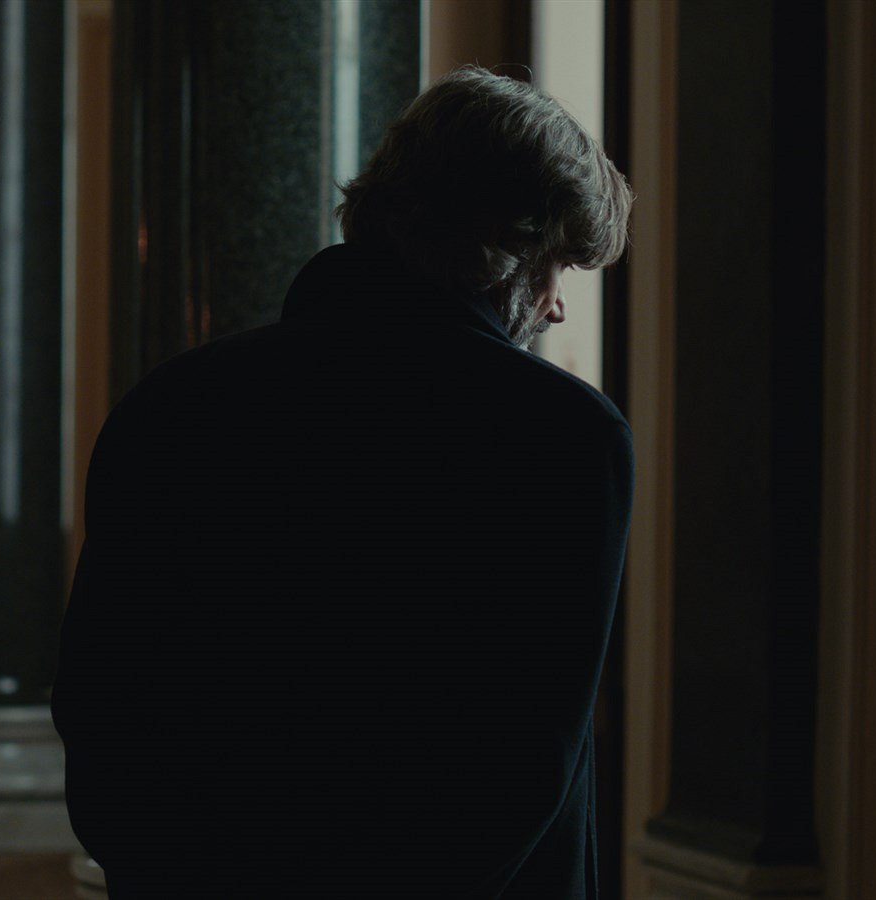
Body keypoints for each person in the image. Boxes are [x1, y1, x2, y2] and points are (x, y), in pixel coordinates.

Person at [51, 66, 634, 899]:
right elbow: (519, 763)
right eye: (557, 266)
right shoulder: (563, 437)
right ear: (505, 242)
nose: (557, 306)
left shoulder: (170, 405)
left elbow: (100, 706)